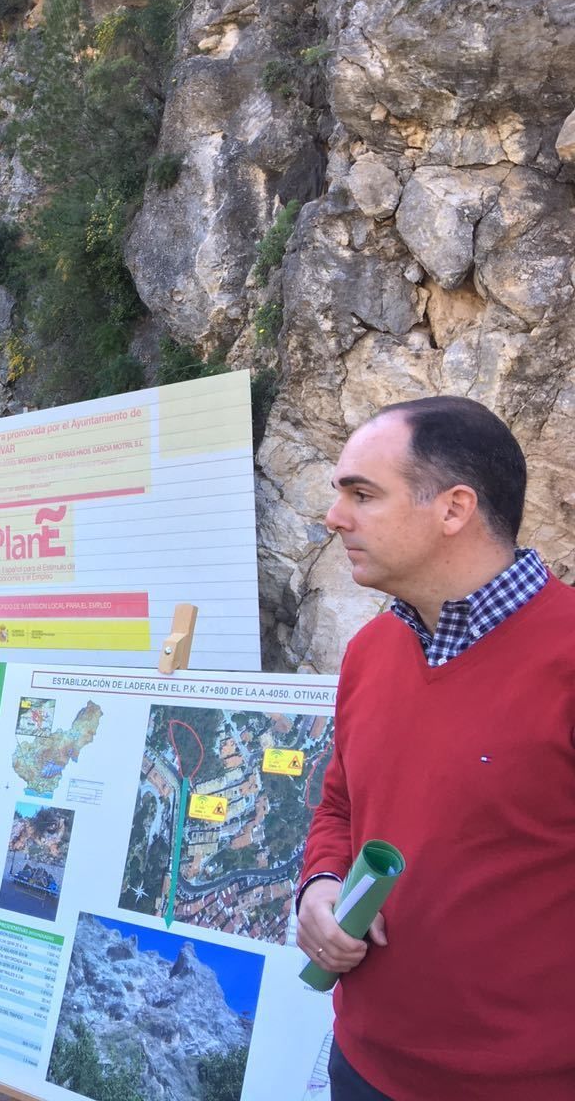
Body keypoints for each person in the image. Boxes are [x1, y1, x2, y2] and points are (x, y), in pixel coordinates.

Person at [298, 397, 575, 1100]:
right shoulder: (369, 651)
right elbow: (340, 806)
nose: (335, 518)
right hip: (361, 1066)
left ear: (453, 510)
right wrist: (322, 885)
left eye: (363, 494)